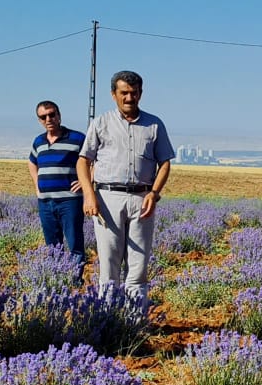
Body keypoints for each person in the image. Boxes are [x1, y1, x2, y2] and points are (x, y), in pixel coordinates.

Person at [77, 71, 175, 298]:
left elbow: (165, 163)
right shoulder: (100, 123)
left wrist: (154, 193)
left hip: (142, 200)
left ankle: (135, 322)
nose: (129, 98)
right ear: (114, 95)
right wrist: (88, 195)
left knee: (138, 264)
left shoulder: (154, 124)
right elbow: (83, 161)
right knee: (109, 263)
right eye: (124, 93)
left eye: (134, 93)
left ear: (141, 93)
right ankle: (108, 322)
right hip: (107, 198)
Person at [27, 99, 86, 264]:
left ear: (59, 116)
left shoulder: (77, 138)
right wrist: (37, 185)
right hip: (45, 202)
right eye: (43, 117)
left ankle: (75, 282)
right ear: (39, 120)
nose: (48, 119)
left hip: (70, 200)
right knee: (52, 246)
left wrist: (85, 181)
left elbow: (94, 160)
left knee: (74, 243)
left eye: (51, 115)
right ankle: (58, 278)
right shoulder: (38, 141)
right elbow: (32, 162)